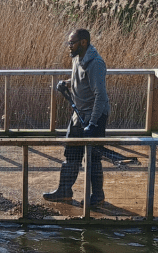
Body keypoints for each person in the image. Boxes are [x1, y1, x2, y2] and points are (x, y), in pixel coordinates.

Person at [44, 28, 110, 205]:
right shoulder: (76, 58)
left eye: (71, 43)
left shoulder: (95, 63)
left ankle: (97, 197)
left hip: (94, 116)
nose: (69, 46)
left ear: (83, 42)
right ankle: (64, 191)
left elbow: (100, 96)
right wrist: (66, 83)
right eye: (68, 43)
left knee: (93, 158)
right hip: (78, 114)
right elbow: (78, 80)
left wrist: (93, 123)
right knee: (71, 153)